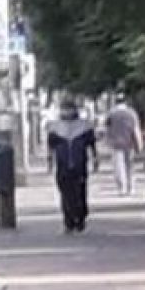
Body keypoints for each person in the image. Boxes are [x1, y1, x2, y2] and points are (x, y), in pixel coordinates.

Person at [48, 99, 97, 233]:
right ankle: (68, 221)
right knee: (65, 193)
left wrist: (95, 158)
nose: (67, 112)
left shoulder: (84, 127)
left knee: (80, 192)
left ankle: (80, 218)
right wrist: (49, 163)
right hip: (62, 165)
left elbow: (92, 144)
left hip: (79, 164)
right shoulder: (55, 128)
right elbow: (50, 147)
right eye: (64, 109)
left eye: (70, 109)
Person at [106, 93, 144, 196]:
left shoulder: (111, 114)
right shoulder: (131, 113)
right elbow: (136, 129)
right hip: (130, 143)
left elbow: (108, 129)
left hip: (116, 144)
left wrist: (108, 141)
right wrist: (139, 144)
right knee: (130, 166)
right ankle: (131, 188)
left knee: (119, 167)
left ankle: (122, 188)